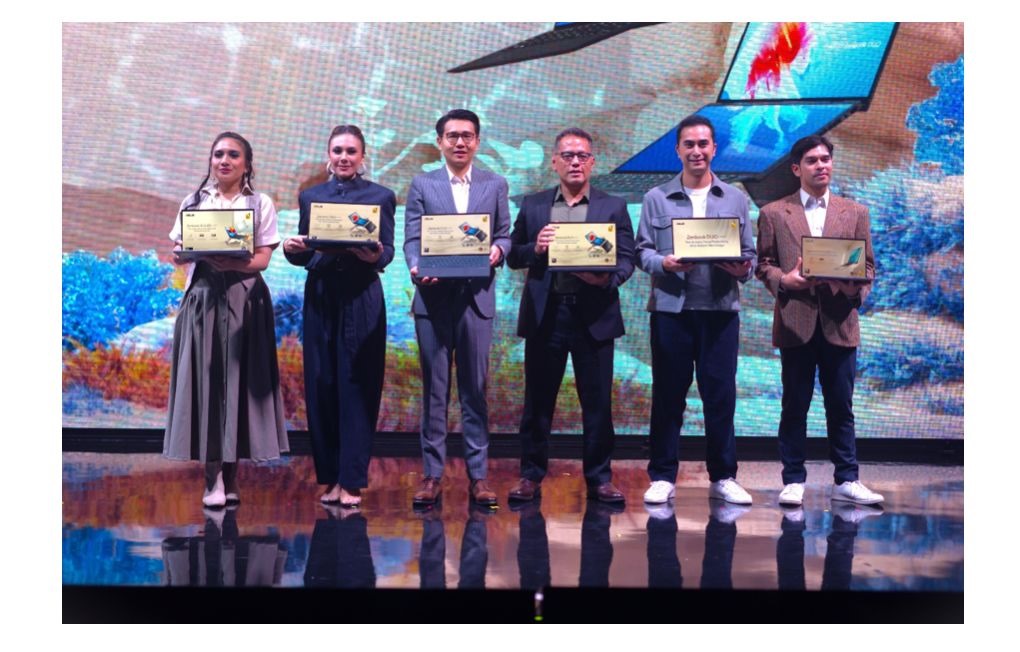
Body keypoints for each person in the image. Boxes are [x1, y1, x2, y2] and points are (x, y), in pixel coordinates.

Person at [506, 128, 635, 504]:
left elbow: (626, 258)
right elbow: (512, 254)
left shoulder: (613, 206)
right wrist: (535, 248)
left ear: (592, 162)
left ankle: (600, 478)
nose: (575, 162)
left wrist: (607, 280)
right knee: (538, 402)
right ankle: (530, 475)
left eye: (582, 156)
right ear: (555, 162)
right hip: (546, 314)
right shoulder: (533, 205)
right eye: (567, 155)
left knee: (597, 404)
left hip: (594, 314)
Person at [635, 115, 757, 506]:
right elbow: (642, 252)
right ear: (678, 150)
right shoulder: (656, 197)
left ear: (714, 149)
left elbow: (750, 255)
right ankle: (662, 475)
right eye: (689, 144)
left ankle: (723, 476)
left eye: (703, 144)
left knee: (720, 396)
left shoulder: (735, 198)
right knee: (668, 396)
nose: (696, 151)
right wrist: (664, 263)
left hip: (720, 310)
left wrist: (742, 269)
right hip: (671, 310)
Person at [755, 134, 883, 506]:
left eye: (825, 159)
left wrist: (848, 287)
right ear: (797, 169)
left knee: (841, 407)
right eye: (812, 160)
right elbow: (764, 265)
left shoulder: (855, 212)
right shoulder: (774, 213)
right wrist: (785, 280)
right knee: (794, 405)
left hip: (839, 321)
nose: (821, 165)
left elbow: (868, 267)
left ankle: (847, 479)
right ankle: (793, 479)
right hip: (795, 322)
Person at [164, 131, 289, 508]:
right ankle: (212, 478)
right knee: (207, 385)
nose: (224, 160)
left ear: (246, 164)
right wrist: (185, 254)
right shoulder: (194, 202)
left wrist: (231, 262)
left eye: (233, 155)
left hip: (244, 300)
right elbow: (178, 251)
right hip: (203, 299)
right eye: (218, 154)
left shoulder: (259, 203)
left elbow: (262, 259)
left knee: (238, 384)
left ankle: (231, 477)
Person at [283, 125, 396, 508]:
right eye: (338, 150)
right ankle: (330, 478)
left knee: (358, 385)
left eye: (351, 151)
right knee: (322, 385)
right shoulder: (310, 197)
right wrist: (292, 249)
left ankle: (352, 481)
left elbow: (387, 251)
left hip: (362, 295)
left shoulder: (381, 196)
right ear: (328, 155)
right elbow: (307, 250)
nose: (344, 157)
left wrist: (375, 255)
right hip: (321, 295)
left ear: (363, 156)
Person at [402, 109, 511, 507]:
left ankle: (478, 477)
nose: (460, 142)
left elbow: (504, 234)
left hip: (476, 299)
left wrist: (498, 250)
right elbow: (412, 238)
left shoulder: (495, 183)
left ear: (477, 141)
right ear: (440, 142)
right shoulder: (423, 183)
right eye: (452, 136)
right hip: (432, 299)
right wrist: (416, 266)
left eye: (467, 136)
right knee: (434, 391)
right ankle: (432, 475)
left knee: (474, 392)